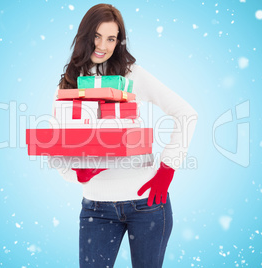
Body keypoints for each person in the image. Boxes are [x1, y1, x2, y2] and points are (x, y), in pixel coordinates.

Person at [54, 4, 198, 268]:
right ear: (84, 36)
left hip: (147, 205)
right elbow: (58, 145)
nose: (102, 45)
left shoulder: (131, 75)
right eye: (96, 36)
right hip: (95, 209)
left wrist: (167, 169)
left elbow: (186, 113)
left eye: (111, 38)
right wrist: (75, 172)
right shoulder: (68, 86)